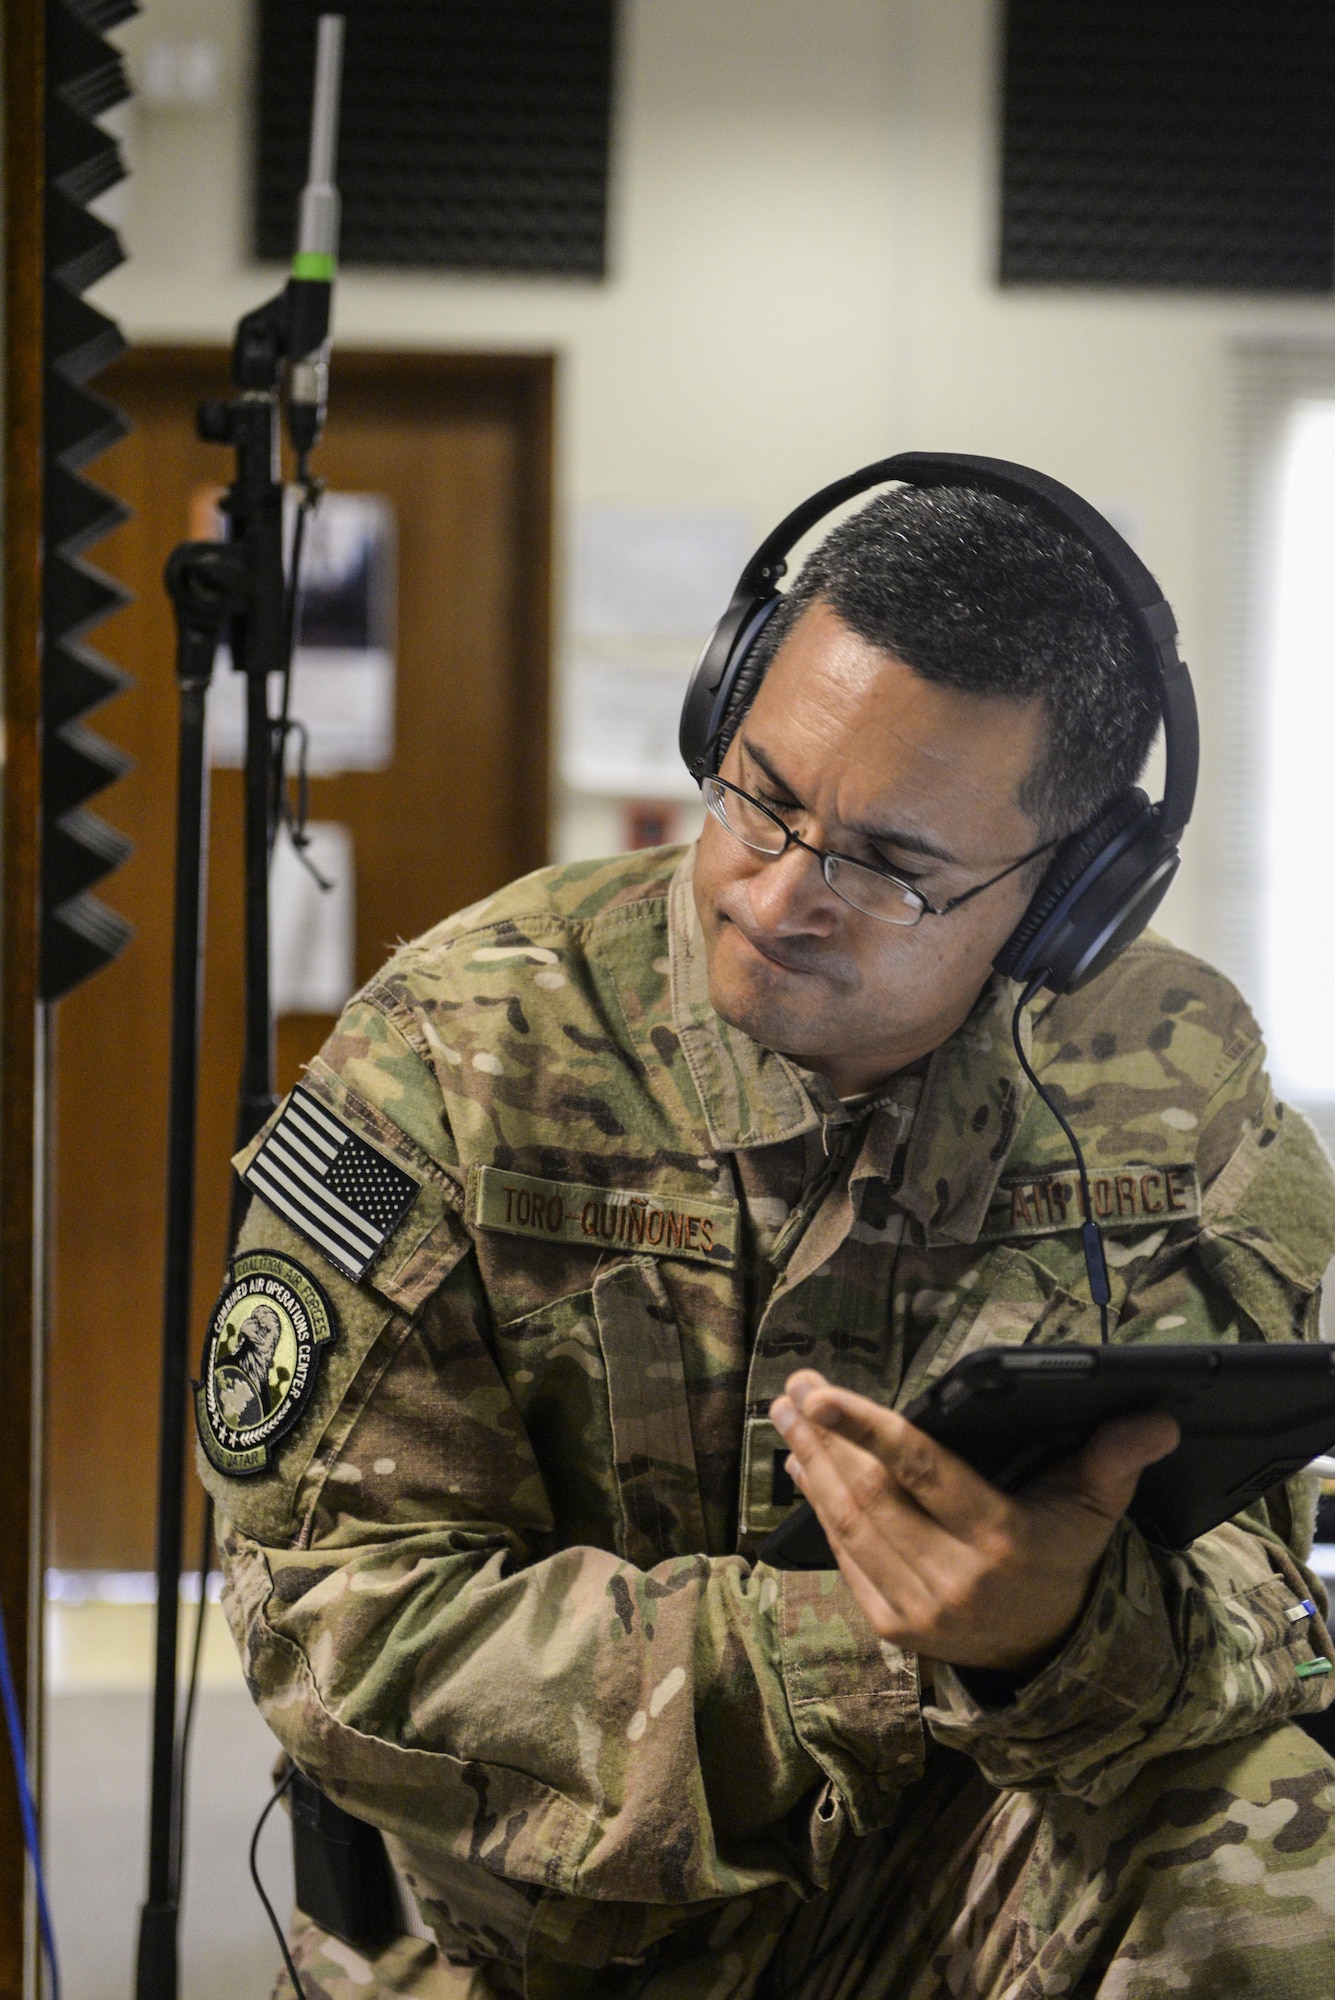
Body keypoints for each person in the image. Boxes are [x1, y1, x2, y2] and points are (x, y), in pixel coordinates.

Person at [198, 480, 1335, 2000]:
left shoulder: (1168, 1069)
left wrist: (1063, 1632)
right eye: (761, 793)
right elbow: (340, 1625)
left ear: (1068, 894)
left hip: (953, 1892)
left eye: (888, 864)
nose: (781, 893)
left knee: (1270, 1857)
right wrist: (896, 1645)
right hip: (528, 1937)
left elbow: (1267, 1590)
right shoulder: (462, 1047)